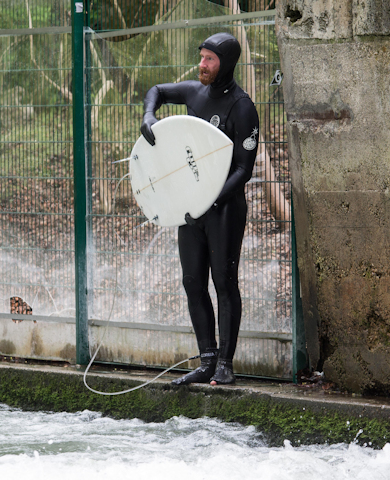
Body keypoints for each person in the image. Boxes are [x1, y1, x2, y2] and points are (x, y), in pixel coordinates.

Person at [140, 32, 260, 385]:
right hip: (190, 207)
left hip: (224, 208)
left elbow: (243, 170)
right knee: (193, 282)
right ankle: (206, 361)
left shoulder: (242, 107)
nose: (202, 65)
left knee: (224, 282)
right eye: (202, 57)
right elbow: (158, 92)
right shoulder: (195, 92)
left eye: (210, 59)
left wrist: (211, 199)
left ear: (226, 64)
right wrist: (149, 116)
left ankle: (225, 363)